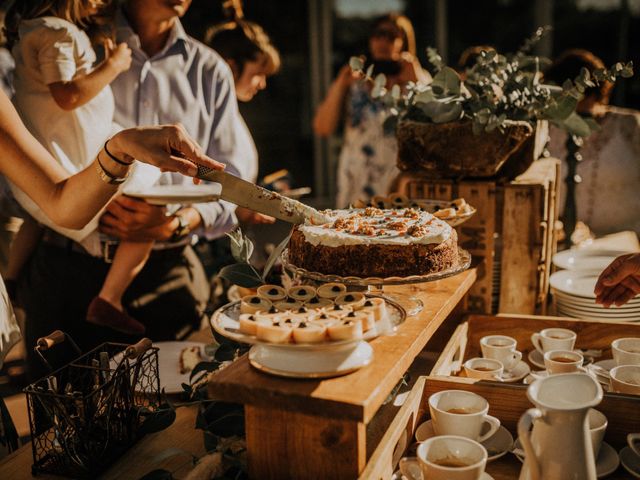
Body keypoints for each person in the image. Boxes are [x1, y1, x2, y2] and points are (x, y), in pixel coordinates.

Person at [15, 0, 250, 379]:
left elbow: (233, 177)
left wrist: (176, 223)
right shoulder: (75, 43)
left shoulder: (211, 70)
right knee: (60, 424)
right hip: (64, 273)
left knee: (175, 425)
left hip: (166, 279)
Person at [0, 87, 222, 369]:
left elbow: (61, 202)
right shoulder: (82, 56)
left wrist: (121, 147)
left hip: (165, 269)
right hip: (60, 268)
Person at [4, 0, 159, 335]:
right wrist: (114, 66)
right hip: (73, 147)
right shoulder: (57, 32)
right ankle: (109, 298)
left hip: (54, 143)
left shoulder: (36, 31)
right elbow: (67, 96)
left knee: (35, 216)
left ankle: (11, 281)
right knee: (149, 192)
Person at [313, 13, 430, 208]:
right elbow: (322, 127)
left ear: (404, 42)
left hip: (399, 186)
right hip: (356, 184)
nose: (383, 40)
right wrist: (340, 84)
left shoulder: (418, 81)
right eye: (377, 34)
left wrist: (416, 78)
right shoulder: (355, 82)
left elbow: (438, 126)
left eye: (391, 35)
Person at [544, 49, 640, 237]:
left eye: (583, 96)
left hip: (628, 246)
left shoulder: (630, 126)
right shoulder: (549, 130)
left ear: (596, 93)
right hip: (568, 247)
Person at [205, 13, 279, 223]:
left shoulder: (231, 113)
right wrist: (238, 211)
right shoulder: (204, 116)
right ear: (230, 67)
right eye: (257, 73)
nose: (262, 84)